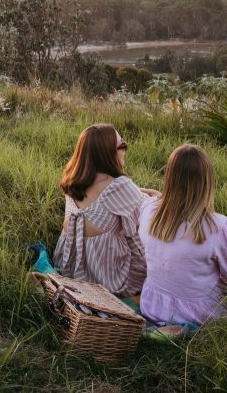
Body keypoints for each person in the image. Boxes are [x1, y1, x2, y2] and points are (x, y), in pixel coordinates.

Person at [137, 144, 227, 326]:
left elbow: (157, 201)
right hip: (200, 313)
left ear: (169, 178)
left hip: (154, 306)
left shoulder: (149, 212)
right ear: (207, 181)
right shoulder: (218, 226)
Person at [53, 124, 158, 295]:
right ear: (107, 153)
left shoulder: (72, 181)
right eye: (122, 145)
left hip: (70, 266)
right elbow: (149, 216)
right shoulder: (120, 187)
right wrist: (156, 196)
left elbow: (105, 196)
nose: (125, 149)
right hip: (105, 276)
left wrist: (141, 191)